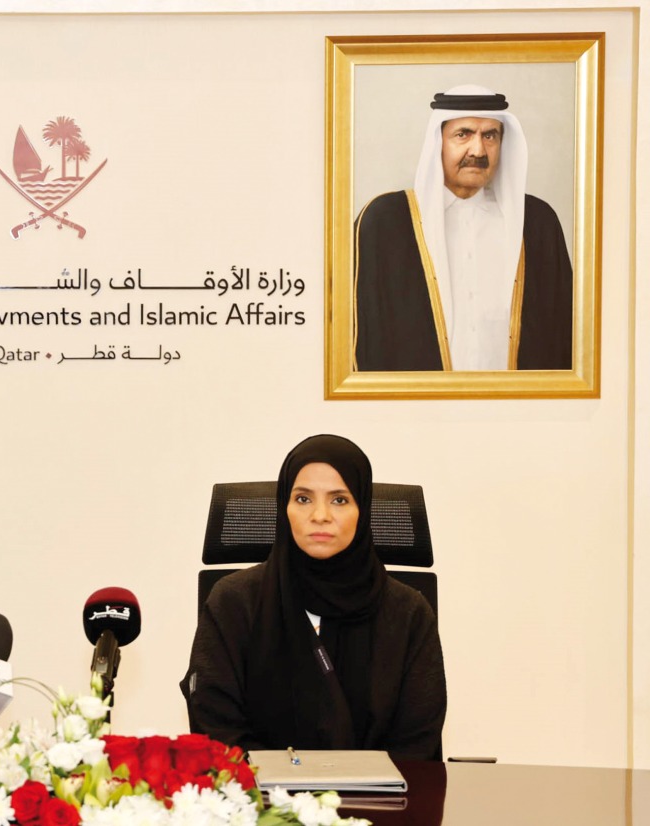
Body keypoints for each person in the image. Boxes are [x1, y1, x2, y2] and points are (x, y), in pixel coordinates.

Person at [180, 434, 446, 760]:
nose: (320, 515)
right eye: (303, 499)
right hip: (256, 789)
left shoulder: (408, 613)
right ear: (284, 507)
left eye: (340, 500)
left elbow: (417, 741)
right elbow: (214, 726)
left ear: (362, 509)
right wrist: (283, 785)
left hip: (384, 791)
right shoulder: (234, 602)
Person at [354, 85, 573, 372]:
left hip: (516, 399)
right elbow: (360, 334)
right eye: (463, 134)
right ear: (438, 142)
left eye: (490, 136)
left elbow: (564, 334)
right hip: (417, 399)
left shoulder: (537, 222)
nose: (478, 150)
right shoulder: (385, 222)